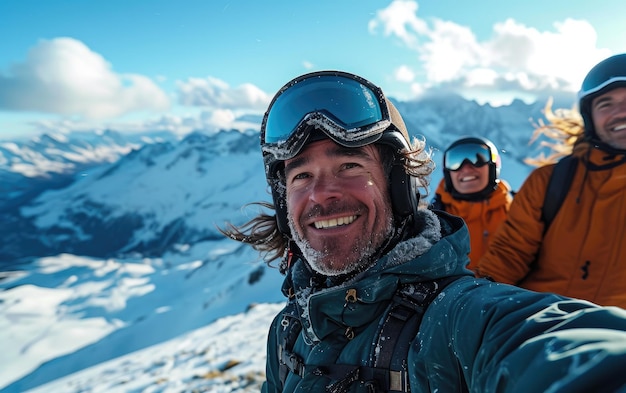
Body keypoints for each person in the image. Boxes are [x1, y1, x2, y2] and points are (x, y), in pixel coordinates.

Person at [219, 70, 626, 392]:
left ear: (399, 187)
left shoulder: (454, 324)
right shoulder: (288, 331)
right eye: (301, 176)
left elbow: (552, 348)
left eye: (350, 166)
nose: (323, 194)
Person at [476, 53, 626, 309]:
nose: (620, 113)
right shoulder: (549, 182)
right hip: (539, 332)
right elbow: (508, 256)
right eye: (606, 104)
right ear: (590, 116)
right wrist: (472, 308)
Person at [430, 137, 513, 269]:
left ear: (493, 167)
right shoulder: (433, 220)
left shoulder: (518, 211)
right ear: (447, 173)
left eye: (478, 160)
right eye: (455, 162)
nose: (467, 168)